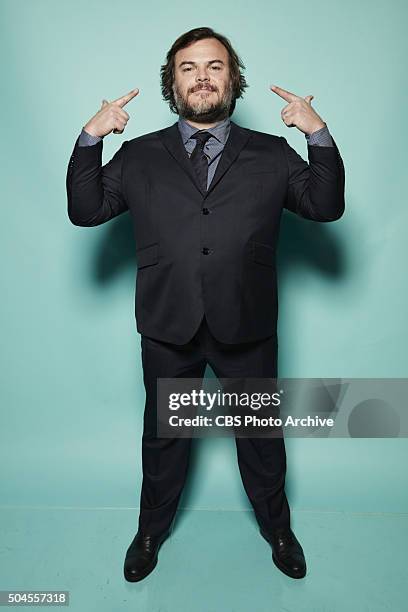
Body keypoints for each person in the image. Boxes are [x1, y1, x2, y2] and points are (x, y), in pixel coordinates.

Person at [66, 26, 345, 582]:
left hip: (247, 324)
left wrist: (318, 135)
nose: (201, 76)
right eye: (189, 67)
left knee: (262, 439)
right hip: (169, 325)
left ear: (232, 78)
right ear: (173, 81)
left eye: (214, 66)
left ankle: (279, 531)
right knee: (164, 437)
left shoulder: (270, 152)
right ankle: (150, 531)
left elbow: (325, 205)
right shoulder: (139, 154)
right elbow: (86, 209)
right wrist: (90, 137)